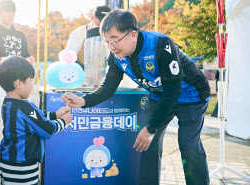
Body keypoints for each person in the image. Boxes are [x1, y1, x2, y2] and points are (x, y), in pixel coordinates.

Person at [63, 10, 211, 185]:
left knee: (188, 145)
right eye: (106, 41)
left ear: (133, 35)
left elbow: (173, 91)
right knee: (146, 145)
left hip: (191, 95)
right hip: (159, 95)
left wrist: (150, 128)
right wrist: (84, 100)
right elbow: (108, 88)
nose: (111, 46)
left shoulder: (160, 44)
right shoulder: (116, 56)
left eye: (114, 39)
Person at [0, 56, 72, 184]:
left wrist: (55, 115)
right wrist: (64, 121)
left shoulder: (8, 104)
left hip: (7, 163)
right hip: (22, 168)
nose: (32, 84)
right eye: (30, 80)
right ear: (19, 83)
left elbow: (33, 122)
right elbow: (48, 129)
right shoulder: (25, 107)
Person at [0, 0, 35, 74]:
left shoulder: (20, 35)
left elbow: (25, 56)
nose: (10, 15)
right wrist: (3, 59)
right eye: (7, 12)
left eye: (12, 12)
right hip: (0, 78)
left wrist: (29, 59)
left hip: (20, 77)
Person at [83, 5, 111, 87]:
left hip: (104, 80)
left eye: (106, 22)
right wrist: (87, 69)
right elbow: (69, 56)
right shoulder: (79, 33)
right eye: (99, 22)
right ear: (92, 18)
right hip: (84, 79)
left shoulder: (112, 35)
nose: (102, 26)